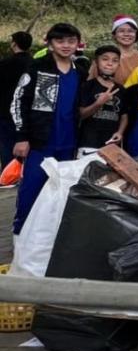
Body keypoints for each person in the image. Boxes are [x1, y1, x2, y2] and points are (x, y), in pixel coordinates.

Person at [10, 23, 84, 233]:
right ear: (50, 43)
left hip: (68, 144)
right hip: (40, 143)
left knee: (59, 196)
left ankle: (48, 243)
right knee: (30, 194)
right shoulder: (38, 67)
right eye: (60, 41)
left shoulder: (80, 71)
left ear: (78, 44)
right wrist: (21, 137)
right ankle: (20, 238)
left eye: (71, 41)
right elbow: (18, 102)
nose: (66, 45)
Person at [77, 45, 128, 155]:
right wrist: (98, 103)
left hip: (112, 146)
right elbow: (80, 115)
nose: (110, 63)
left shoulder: (121, 89)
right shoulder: (87, 86)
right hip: (88, 144)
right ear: (96, 62)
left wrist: (120, 132)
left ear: (118, 64)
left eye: (115, 61)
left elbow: (124, 115)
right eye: (105, 59)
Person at [0, 31, 33, 167]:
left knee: (7, 144)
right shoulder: (35, 64)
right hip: (29, 112)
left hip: (6, 110)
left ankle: (9, 175)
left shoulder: (5, 63)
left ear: (14, 44)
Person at [89, 15, 138, 85]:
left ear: (136, 34)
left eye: (130, 31)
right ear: (114, 35)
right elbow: (90, 83)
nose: (126, 34)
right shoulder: (104, 55)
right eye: (121, 31)